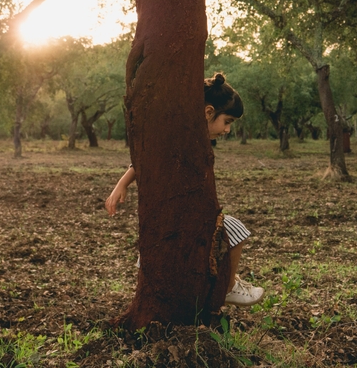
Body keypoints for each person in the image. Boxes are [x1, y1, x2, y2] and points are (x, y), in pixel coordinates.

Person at [105, 73, 265, 307]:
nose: (228, 130)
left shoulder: (198, 140)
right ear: (208, 112)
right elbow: (148, 158)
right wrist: (122, 184)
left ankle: (220, 283)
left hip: (184, 210)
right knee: (235, 229)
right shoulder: (181, 137)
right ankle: (229, 287)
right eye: (227, 121)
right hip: (173, 212)